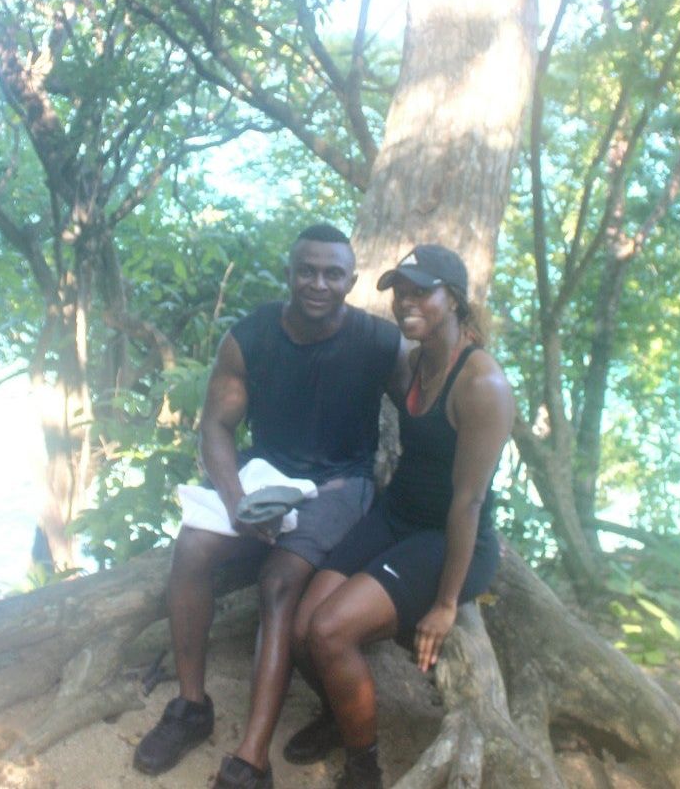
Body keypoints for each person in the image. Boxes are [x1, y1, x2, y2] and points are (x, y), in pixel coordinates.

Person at [133, 224, 408, 789]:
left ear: (351, 282)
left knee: (280, 582)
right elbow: (216, 425)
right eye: (306, 270)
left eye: (333, 273)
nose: (318, 283)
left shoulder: (380, 343)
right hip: (267, 476)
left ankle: (252, 759)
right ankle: (191, 707)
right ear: (289, 273)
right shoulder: (251, 337)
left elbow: (431, 406)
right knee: (191, 548)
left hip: (340, 484)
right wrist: (236, 503)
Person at [285, 244, 513, 789]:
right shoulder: (414, 361)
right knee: (300, 630)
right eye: (400, 291)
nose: (406, 301)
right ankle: (342, 715)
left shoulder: (482, 384)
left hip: (449, 540)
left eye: (421, 291)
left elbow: (469, 503)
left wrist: (444, 603)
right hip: (398, 516)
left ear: (453, 299)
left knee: (330, 631)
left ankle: (364, 769)